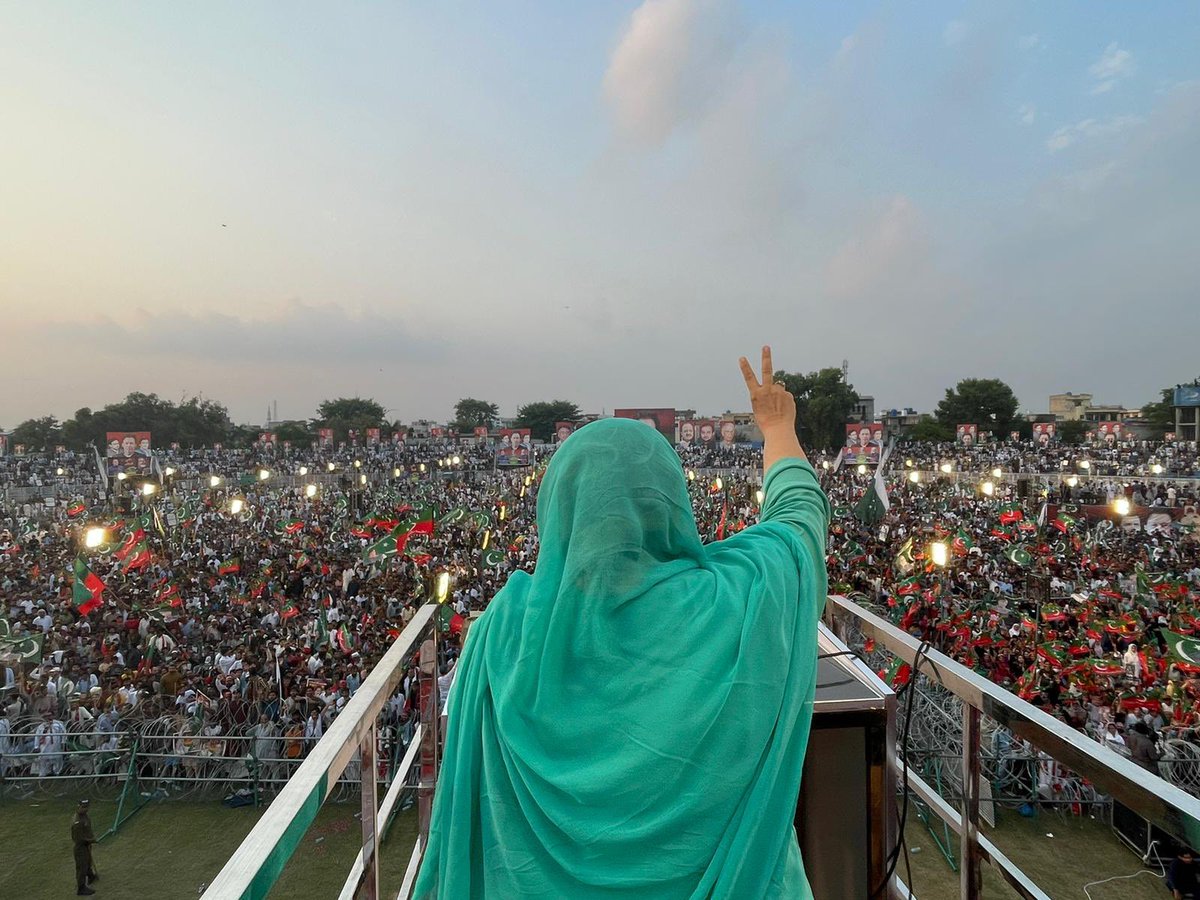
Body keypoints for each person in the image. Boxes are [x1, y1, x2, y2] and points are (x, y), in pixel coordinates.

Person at [413, 346, 831, 899]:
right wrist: (776, 427)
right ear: (668, 501)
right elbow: (800, 521)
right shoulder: (739, 598)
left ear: (557, 508)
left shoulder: (503, 631)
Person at [72, 799, 98, 895]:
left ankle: (91, 876)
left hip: (86, 844)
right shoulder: (77, 822)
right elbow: (78, 839)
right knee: (81, 867)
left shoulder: (84, 815)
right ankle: (81, 888)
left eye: (87, 807)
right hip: (81, 847)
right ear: (78, 807)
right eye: (83, 807)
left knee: (88, 861)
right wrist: (90, 840)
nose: (86, 809)